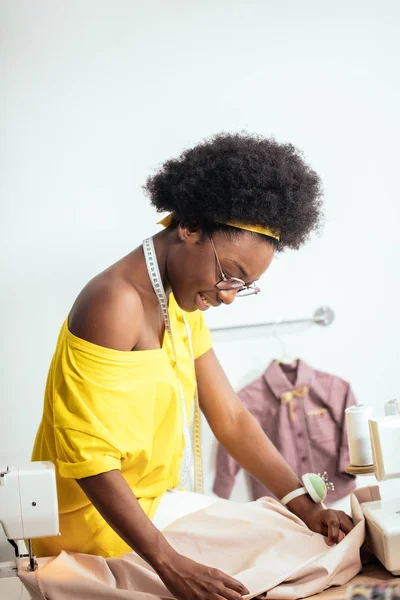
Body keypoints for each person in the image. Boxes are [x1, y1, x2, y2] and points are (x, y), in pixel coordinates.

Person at [32, 133, 353, 600]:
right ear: (191, 228)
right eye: (229, 275)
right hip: (88, 533)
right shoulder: (114, 303)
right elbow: (90, 462)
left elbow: (231, 417)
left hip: (153, 508)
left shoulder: (180, 302)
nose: (227, 295)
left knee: (310, 546)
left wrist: (303, 504)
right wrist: (169, 564)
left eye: (243, 286)